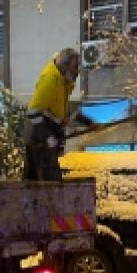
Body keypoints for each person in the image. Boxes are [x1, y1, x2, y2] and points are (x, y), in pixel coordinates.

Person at [24, 48, 80, 181]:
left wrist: (89, 123)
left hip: (43, 138)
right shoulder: (51, 80)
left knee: (35, 181)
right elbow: (33, 112)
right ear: (64, 66)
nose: (77, 71)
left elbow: (60, 115)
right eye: (75, 67)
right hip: (38, 139)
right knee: (50, 181)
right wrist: (48, 137)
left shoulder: (63, 83)